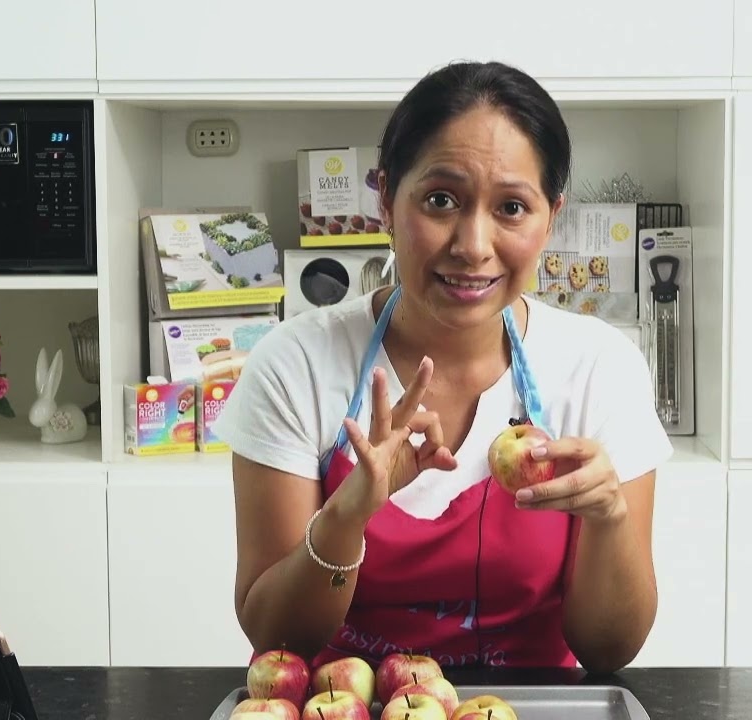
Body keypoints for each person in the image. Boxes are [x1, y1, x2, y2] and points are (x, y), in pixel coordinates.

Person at [210, 60, 673, 674]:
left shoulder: (597, 367)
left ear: (550, 220)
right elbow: (277, 640)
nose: (473, 245)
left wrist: (609, 515)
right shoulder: (295, 365)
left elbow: (608, 650)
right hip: (351, 708)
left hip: (529, 710)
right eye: (440, 200)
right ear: (385, 198)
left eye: (511, 207)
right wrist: (348, 514)